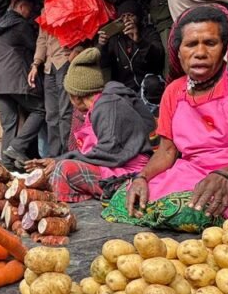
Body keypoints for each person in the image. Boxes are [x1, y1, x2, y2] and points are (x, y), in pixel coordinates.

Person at [107, 5, 228, 230]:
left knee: (194, 213)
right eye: (191, 44)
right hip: (192, 173)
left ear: (224, 48)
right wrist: (142, 177)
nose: (200, 52)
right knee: (126, 200)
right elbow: (166, 151)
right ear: (178, 51)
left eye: (210, 43)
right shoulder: (174, 90)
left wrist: (226, 176)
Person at [27, 48, 154, 203]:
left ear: (76, 97)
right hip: (116, 166)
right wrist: (57, 159)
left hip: (129, 172)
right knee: (58, 169)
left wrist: (60, 161)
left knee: (64, 169)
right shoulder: (99, 106)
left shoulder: (107, 105)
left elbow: (109, 152)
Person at [0, 0, 45, 170]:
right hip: (14, 77)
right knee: (40, 109)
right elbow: (35, 46)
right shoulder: (20, 24)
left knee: (9, 123)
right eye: (30, 9)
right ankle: (17, 147)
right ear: (21, 7)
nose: (31, 13)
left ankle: (7, 167)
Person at [29, 0, 73, 156]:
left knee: (66, 112)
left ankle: (68, 153)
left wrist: (77, 48)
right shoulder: (45, 9)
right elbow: (42, 40)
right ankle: (54, 157)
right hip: (49, 66)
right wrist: (35, 64)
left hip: (65, 59)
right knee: (52, 114)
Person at [97, 0, 165, 95]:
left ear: (139, 17)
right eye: (123, 17)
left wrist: (140, 41)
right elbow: (104, 64)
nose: (127, 20)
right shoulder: (115, 39)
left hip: (147, 85)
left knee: (153, 84)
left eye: (130, 15)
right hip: (125, 88)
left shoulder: (148, 32)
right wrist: (102, 46)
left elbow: (158, 57)